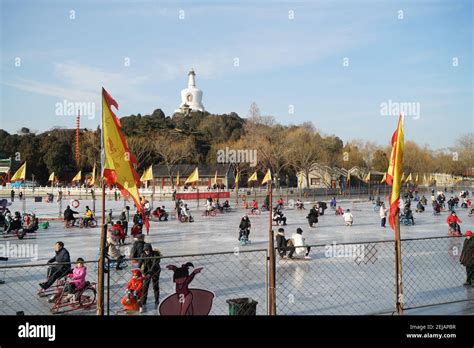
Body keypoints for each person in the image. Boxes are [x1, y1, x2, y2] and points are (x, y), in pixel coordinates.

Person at [140, 243, 162, 310]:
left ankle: (157, 300)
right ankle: (143, 302)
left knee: (155, 286)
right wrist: (138, 271)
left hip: (155, 271)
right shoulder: (143, 254)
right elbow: (140, 263)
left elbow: (154, 265)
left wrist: (150, 273)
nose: (147, 252)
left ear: (150, 249)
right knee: (145, 286)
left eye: (148, 250)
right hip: (146, 271)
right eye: (145, 250)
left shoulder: (155, 255)